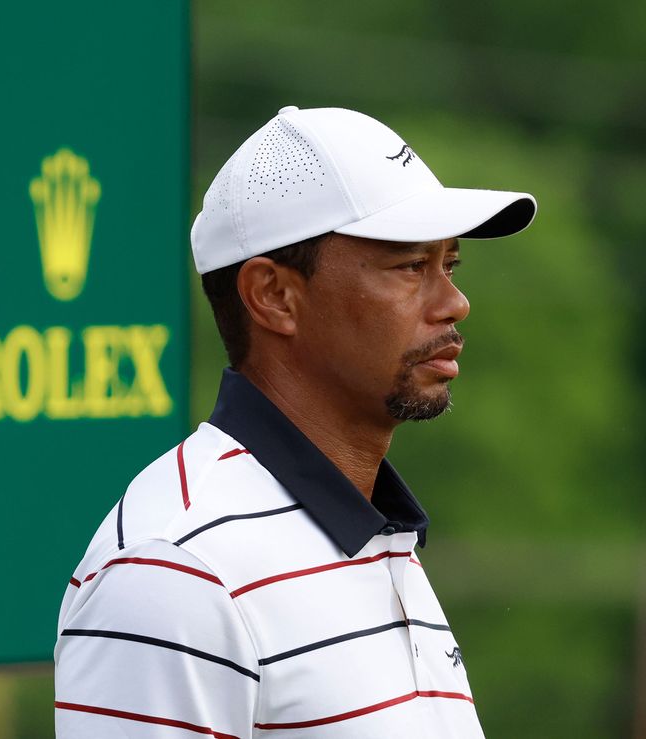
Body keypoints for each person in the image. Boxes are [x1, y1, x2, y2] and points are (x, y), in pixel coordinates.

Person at [54, 106, 536, 738]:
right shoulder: (177, 570)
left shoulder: (376, 536)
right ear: (275, 296)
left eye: (449, 265)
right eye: (410, 267)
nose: (454, 302)